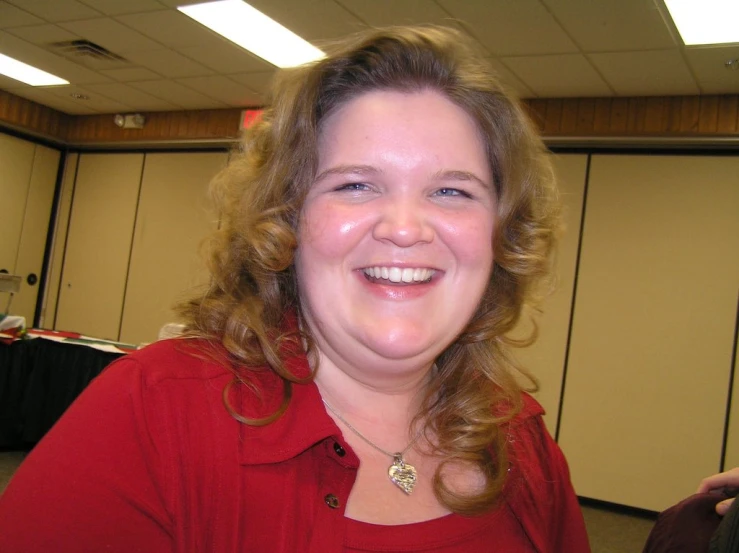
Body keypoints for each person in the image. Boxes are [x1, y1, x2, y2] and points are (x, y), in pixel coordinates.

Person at [0, 26, 590, 552]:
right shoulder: (154, 413)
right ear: (285, 221)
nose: (406, 228)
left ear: (500, 233)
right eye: (356, 185)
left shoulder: (521, 439)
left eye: (452, 191)